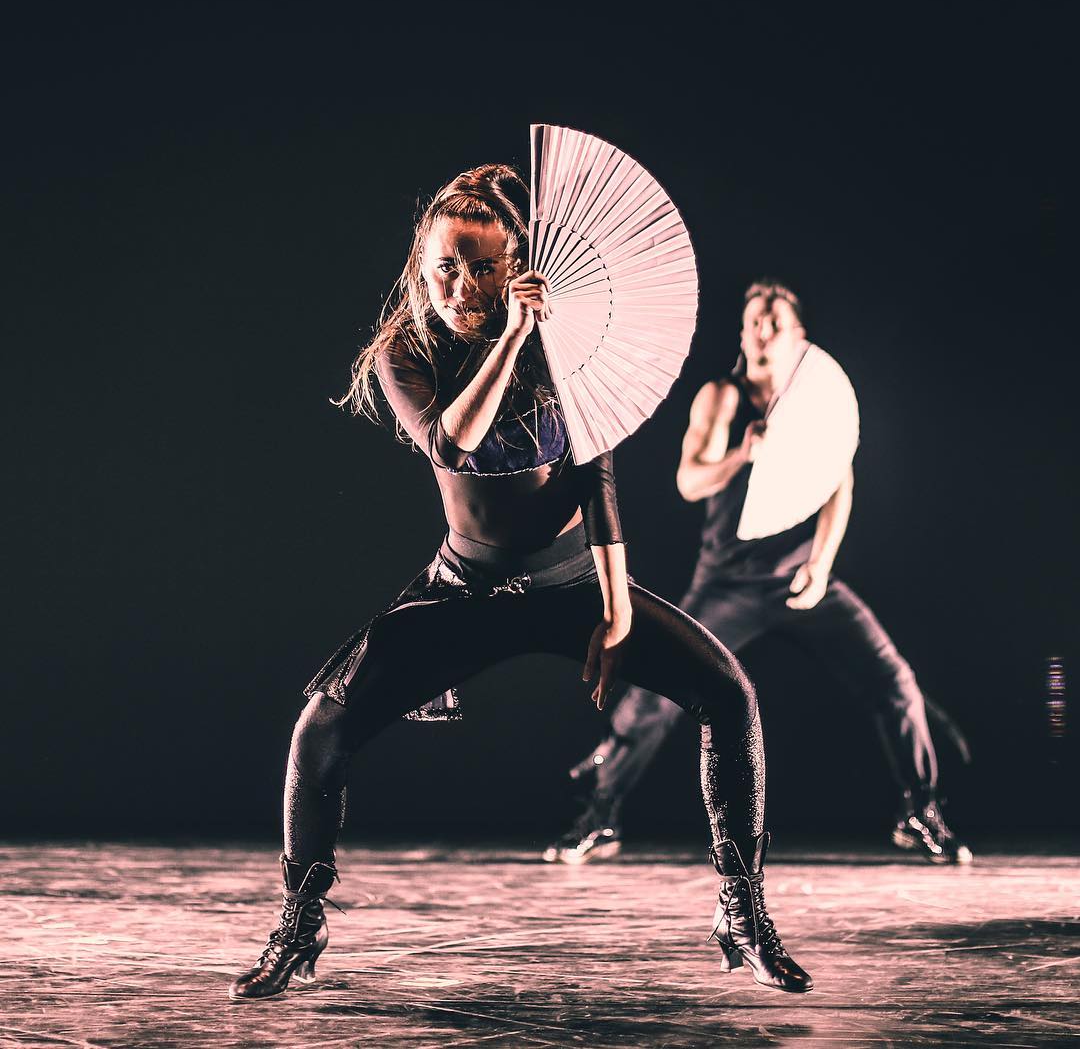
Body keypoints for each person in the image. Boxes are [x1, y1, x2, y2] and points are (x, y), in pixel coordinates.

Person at [228, 168, 814, 1000]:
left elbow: (597, 473)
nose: (460, 286)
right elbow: (452, 444)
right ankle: (300, 924)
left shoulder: (564, 348)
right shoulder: (405, 350)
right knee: (318, 727)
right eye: (445, 266)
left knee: (730, 694)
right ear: (421, 265)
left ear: (516, 271)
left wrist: (616, 608)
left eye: (483, 267)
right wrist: (508, 340)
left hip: (570, 585)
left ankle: (741, 912)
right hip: (465, 591)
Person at [545, 280, 972, 868]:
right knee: (656, 693)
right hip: (729, 583)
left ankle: (921, 812)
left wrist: (820, 565)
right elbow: (689, 481)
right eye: (753, 323)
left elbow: (839, 487)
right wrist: (742, 452)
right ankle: (600, 816)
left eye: (774, 323)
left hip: (802, 582)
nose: (762, 333)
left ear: (799, 337)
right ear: (743, 335)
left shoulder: (815, 402)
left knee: (895, 682)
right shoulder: (722, 398)